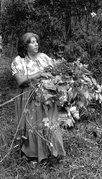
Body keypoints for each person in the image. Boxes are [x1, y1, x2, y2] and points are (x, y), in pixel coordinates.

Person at [11, 32, 66, 163]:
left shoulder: (44, 57)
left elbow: (55, 71)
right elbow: (21, 81)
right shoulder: (18, 61)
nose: (36, 44)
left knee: (48, 122)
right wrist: (40, 73)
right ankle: (32, 154)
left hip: (46, 95)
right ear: (25, 45)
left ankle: (51, 152)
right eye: (32, 42)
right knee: (33, 123)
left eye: (37, 42)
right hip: (29, 96)